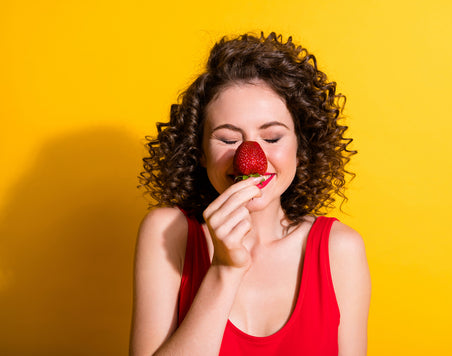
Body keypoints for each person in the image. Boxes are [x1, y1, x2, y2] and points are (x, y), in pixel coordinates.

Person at [130, 32, 371, 356]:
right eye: (228, 140)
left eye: (272, 138)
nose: (249, 156)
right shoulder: (167, 233)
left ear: (301, 148)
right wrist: (226, 270)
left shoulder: (339, 249)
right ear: (199, 151)